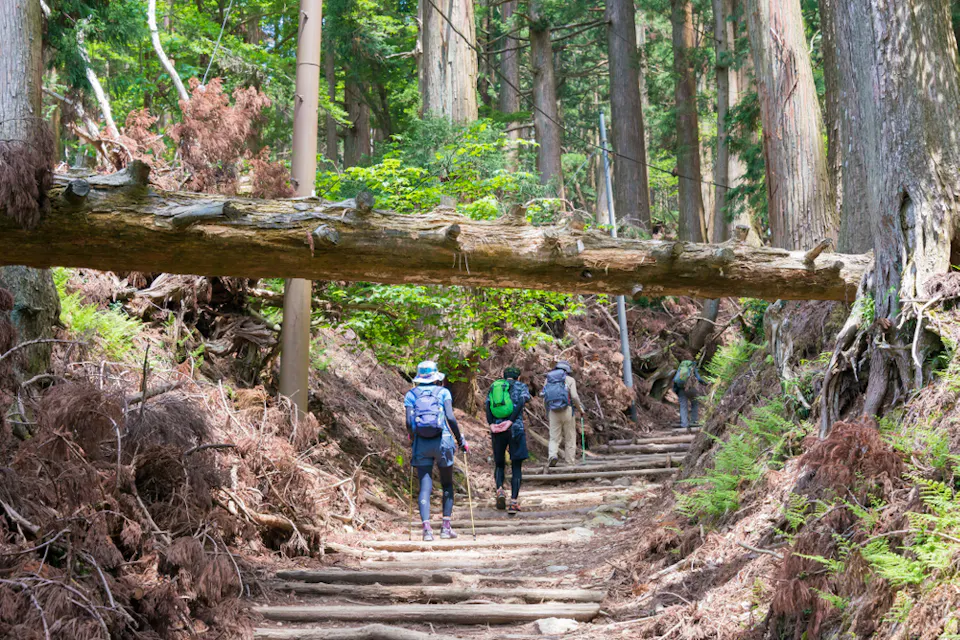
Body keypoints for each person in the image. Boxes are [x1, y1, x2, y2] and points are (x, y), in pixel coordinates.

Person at [404, 360, 468, 541]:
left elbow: (409, 423)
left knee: (425, 487)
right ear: (436, 376)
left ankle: (427, 531)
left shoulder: (411, 394)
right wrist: (460, 440)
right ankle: (446, 528)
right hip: (443, 441)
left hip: (422, 443)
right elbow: (450, 418)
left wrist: (413, 436)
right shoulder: (443, 392)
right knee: (447, 483)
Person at [485, 366, 532, 514]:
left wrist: (492, 423)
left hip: (498, 429)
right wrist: (511, 421)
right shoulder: (521, 386)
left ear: (504, 377)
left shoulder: (495, 387)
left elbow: (487, 405)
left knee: (499, 464)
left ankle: (499, 490)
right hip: (515, 429)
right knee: (516, 465)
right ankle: (513, 502)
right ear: (518, 377)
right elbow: (523, 402)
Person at [542, 360, 585, 467]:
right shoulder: (570, 380)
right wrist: (580, 410)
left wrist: (547, 411)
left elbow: (545, 398)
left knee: (554, 437)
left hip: (553, 411)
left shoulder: (548, 379)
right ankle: (569, 462)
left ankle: (552, 455)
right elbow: (574, 396)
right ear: (567, 370)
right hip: (567, 410)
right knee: (570, 437)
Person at [673, 359, 706, 429]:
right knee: (695, 404)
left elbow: (675, 380)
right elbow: (699, 379)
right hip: (692, 389)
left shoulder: (681, 368)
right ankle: (694, 421)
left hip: (682, 389)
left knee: (683, 406)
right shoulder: (692, 367)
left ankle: (684, 424)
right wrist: (705, 383)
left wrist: (676, 390)